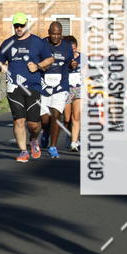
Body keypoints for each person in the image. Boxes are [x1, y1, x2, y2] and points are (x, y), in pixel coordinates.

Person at [0, 12, 54, 162]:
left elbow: (50, 59)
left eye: (21, 25)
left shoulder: (37, 42)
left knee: (33, 124)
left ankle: (34, 140)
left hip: (33, 86)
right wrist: (1, 67)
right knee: (18, 120)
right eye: (16, 26)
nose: (19, 28)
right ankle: (23, 151)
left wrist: (38, 66)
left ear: (26, 24)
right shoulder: (7, 43)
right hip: (14, 87)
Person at [39, 22, 74, 158]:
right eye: (53, 33)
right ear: (48, 32)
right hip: (44, 85)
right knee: (45, 120)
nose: (55, 36)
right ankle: (46, 133)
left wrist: (72, 64)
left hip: (61, 86)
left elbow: (69, 65)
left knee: (56, 115)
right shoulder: (42, 44)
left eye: (58, 34)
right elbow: (36, 63)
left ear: (61, 34)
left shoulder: (66, 47)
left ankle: (53, 147)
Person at [63, 35, 82, 151]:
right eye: (70, 49)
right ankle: (68, 135)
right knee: (66, 118)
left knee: (76, 116)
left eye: (74, 48)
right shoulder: (63, 58)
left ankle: (74, 142)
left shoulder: (82, 57)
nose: (73, 50)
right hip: (66, 89)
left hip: (79, 89)